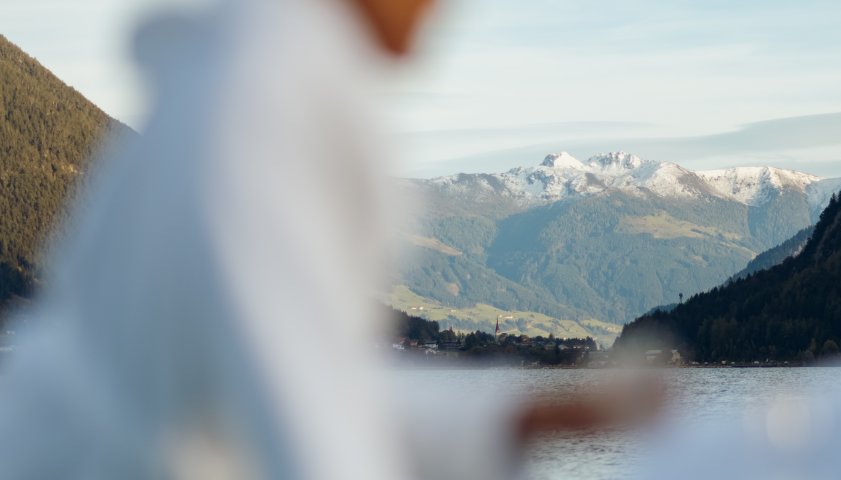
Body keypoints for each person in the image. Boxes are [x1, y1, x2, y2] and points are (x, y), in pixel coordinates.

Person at [0, 0, 660, 478]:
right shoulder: (262, 103)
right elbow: (298, 404)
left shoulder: (249, 77)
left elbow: (303, 372)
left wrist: (518, 419)